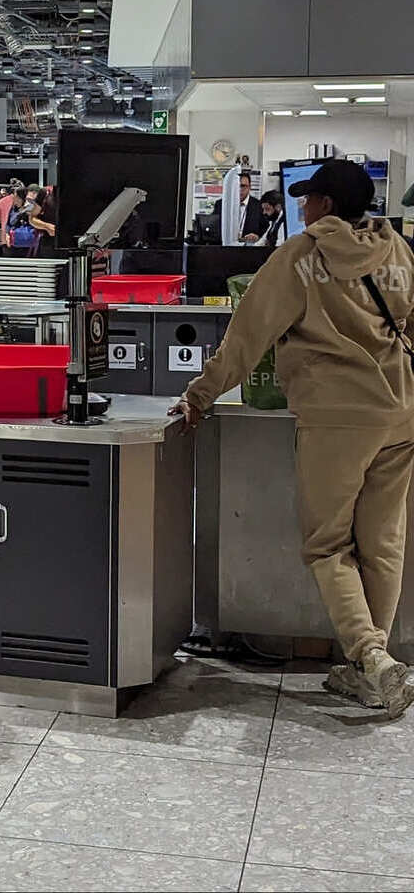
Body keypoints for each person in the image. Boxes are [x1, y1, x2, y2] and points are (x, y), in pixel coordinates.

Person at [174, 159, 414, 717]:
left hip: (338, 417)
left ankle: (372, 659)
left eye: (307, 199)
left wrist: (200, 395)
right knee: (382, 543)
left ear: (325, 204)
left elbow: (247, 336)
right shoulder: (399, 251)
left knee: (328, 544)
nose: (301, 206)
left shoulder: (301, 257)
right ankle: (369, 669)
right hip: (402, 413)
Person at [216, 173, 267, 242]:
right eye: (236, 186)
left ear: (249, 187)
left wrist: (258, 237)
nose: (239, 189)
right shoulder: (221, 204)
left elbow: (266, 230)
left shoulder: (259, 206)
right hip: (225, 248)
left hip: (249, 249)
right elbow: (214, 227)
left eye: (243, 186)